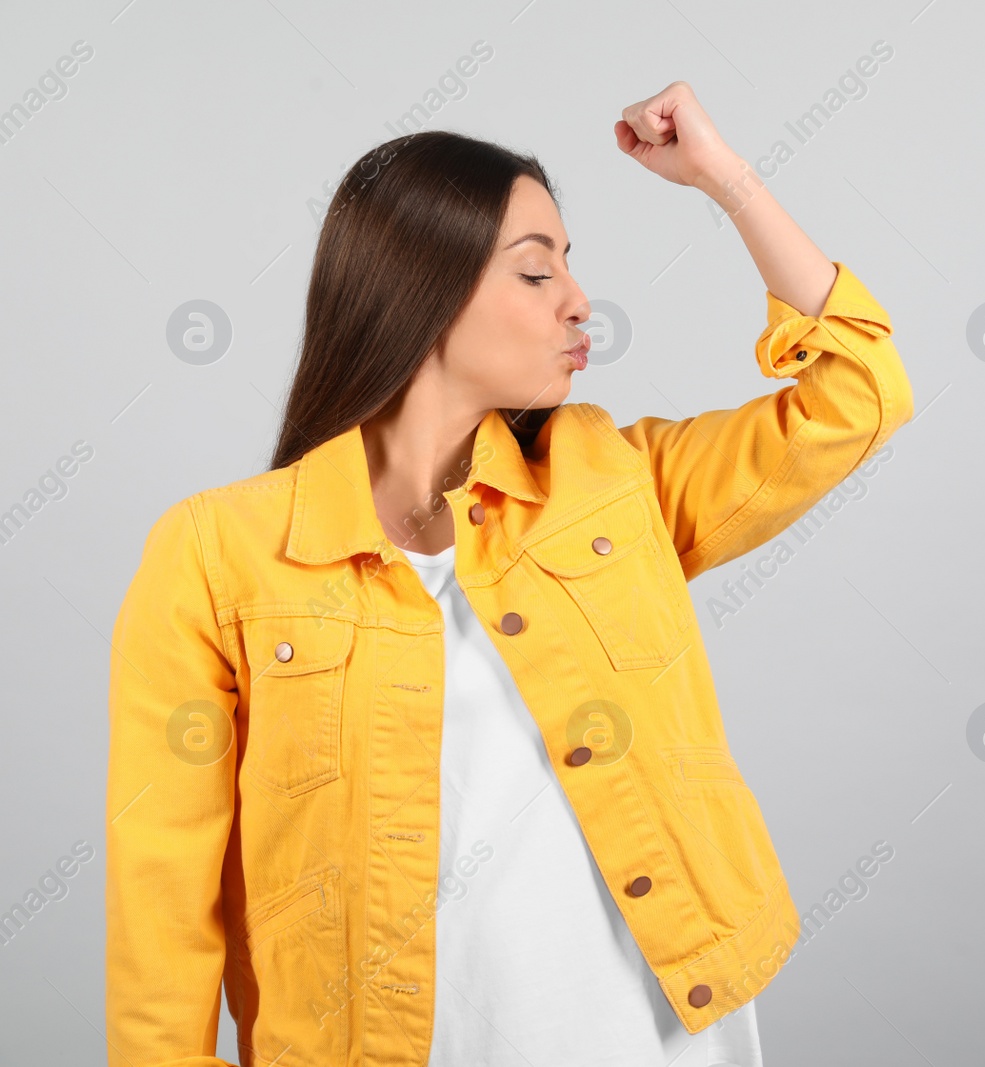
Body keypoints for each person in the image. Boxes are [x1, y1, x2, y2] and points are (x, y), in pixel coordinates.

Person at [104, 81, 912, 1066]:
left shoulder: (615, 480)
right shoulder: (216, 552)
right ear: (420, 289)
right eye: (536, 273)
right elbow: (163, 900)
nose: (579, 300)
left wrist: (722, 178)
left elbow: (859, 393)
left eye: (571, 266)